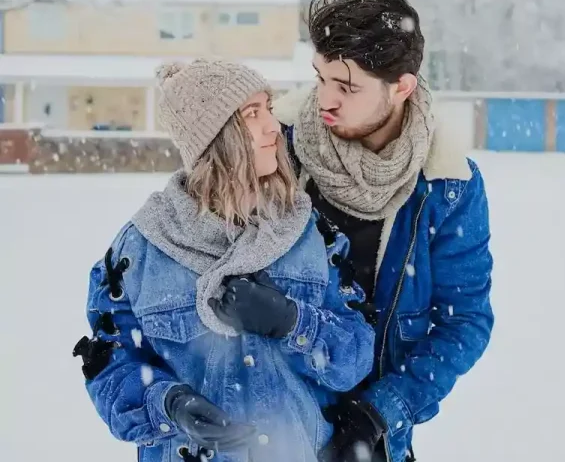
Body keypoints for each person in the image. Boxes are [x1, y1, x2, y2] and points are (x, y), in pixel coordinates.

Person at [73, 58, 375, 462]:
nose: (273, 126)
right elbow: (109, 366)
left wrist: (292, 320)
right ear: (214, 138)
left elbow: (356, 358)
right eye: (252, 114)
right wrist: (169, 405)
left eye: (268, 108)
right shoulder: (140, 253)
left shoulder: (309, 237)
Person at [275, 0, 494, 462]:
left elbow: (465, 323)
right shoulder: (276, 151)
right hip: (272, 422)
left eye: (347, 87)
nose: (326, 100)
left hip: (368, 437)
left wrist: (382, 411)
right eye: (321, 78)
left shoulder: (447, 185)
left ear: (402, 87)